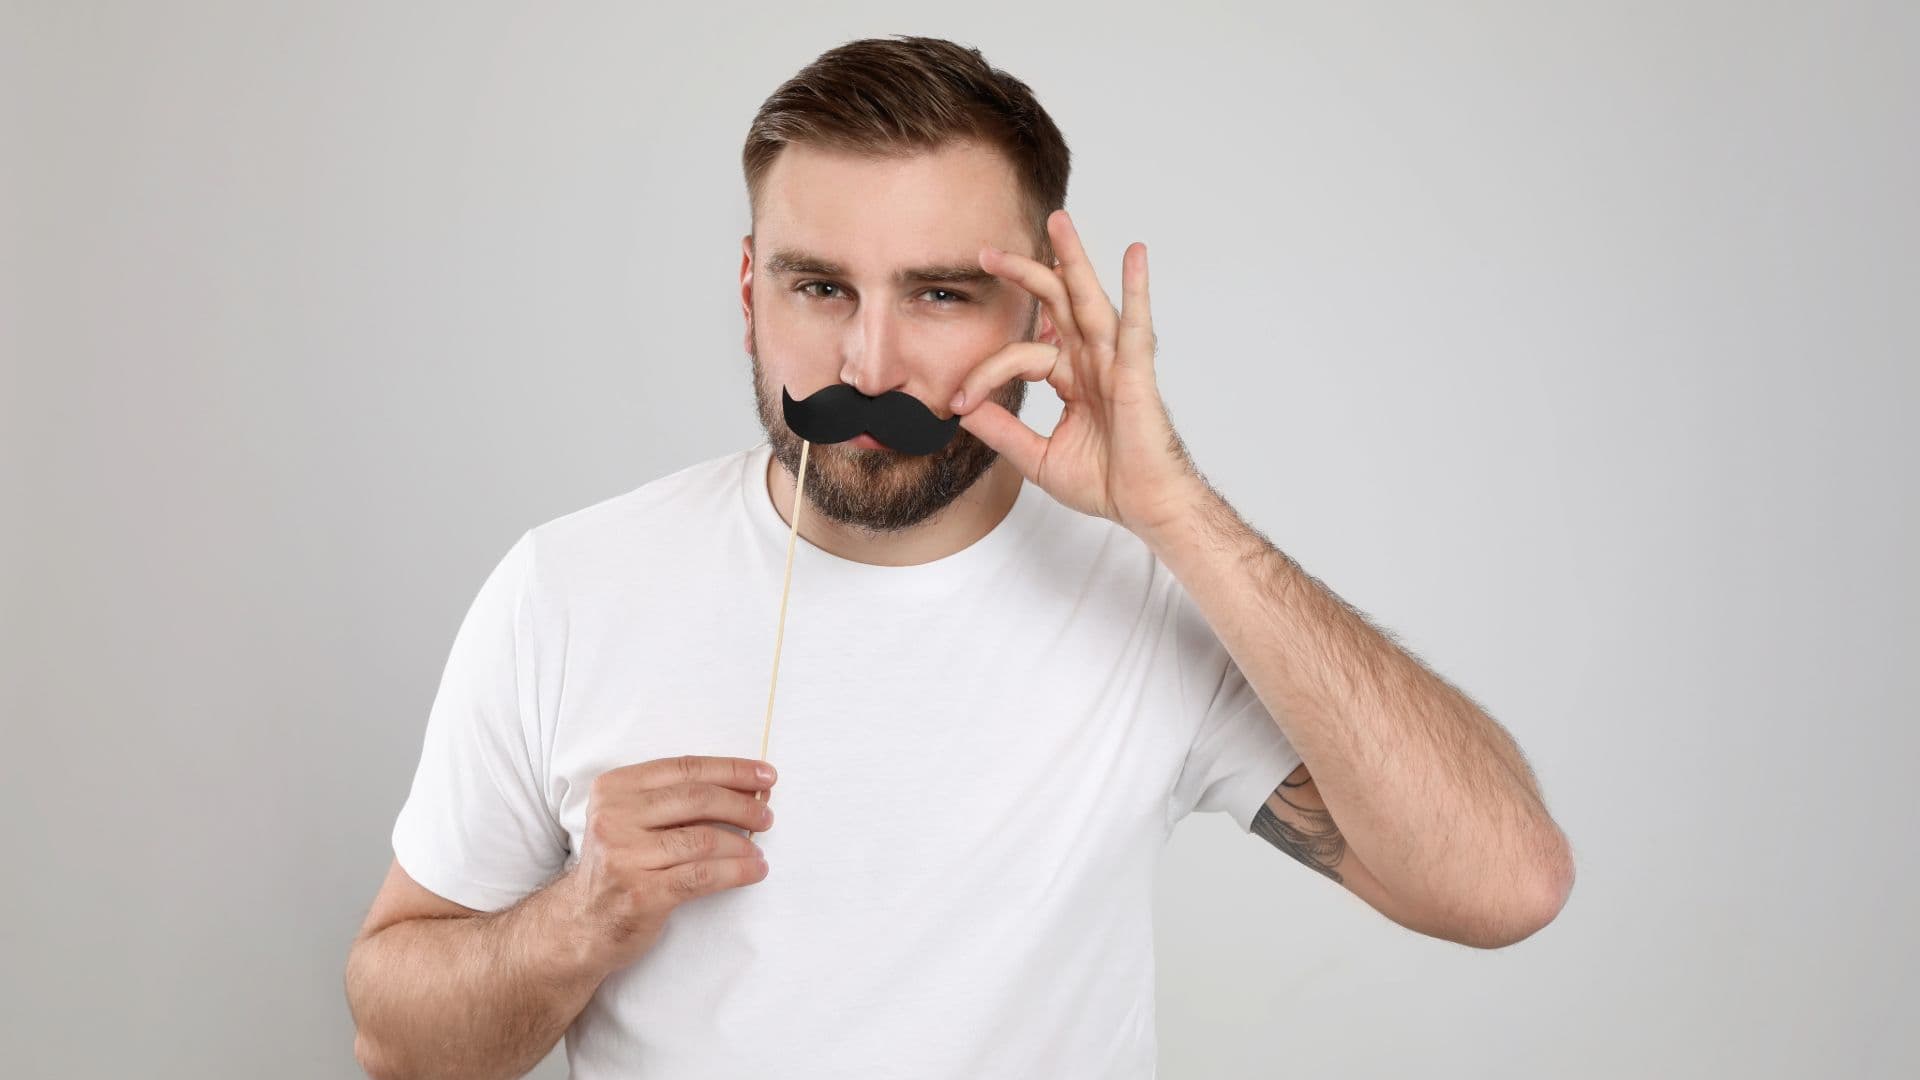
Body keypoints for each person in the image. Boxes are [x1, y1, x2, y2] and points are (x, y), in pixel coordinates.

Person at [344, 34, 1574, 1080]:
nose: (869, 366)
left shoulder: (1151, 597)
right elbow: (395, 1037)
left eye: (938, 295)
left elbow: (1504, 887)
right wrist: (578, 923)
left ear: (1039, 318)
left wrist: (1176, 512)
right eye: (820, 286)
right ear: (747, 287)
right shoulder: (569, 588)